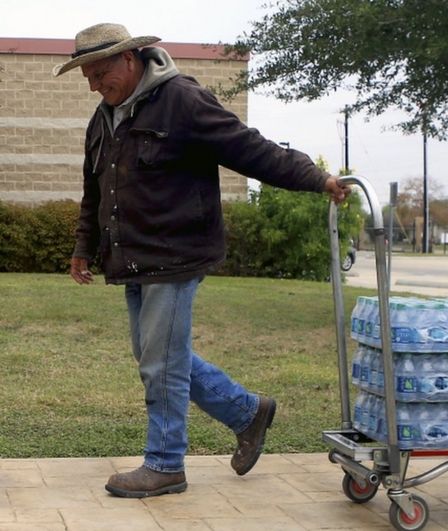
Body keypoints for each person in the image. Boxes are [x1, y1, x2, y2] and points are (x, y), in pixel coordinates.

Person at [54, 23, 349, 498]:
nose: (93, 85)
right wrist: (83, 247)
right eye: (86, 76)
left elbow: (249, 148)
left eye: (98, 73)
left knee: (162, 363)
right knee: (158, 357)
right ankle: (247, 412)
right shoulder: (105, 117)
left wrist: (316, 179)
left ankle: (166, 463)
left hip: (176, 253)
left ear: (129, 60)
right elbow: (95, 189)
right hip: (134, 258)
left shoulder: (182, 100)